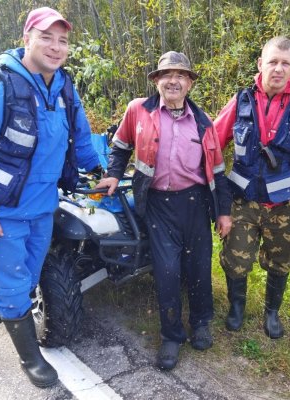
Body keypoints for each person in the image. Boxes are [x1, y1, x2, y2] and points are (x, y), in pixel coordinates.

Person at [0, 7, 102, 388]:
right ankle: (31, 360)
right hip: (1, 212)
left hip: (43, 208)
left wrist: (98, 172)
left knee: (23, 282)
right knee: (14, 288)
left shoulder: (64, 86)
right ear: (26, 38)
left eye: (63, 40)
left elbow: (80, 137)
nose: (55, 46)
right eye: (46, 37)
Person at [95, 51, 233, 370]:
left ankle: (200, 323)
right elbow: (120, 146)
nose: (174, 80)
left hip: (196, 203)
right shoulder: (137, 111)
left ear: (189, 84)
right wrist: (114, 173)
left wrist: (223, 213)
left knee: (198, 268)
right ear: (156, 81)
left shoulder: (204, 122)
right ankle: (172, 336)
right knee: (167, 272)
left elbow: (219, 171)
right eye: (167, 75)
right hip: (158, 205)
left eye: (181, 75)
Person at [214, 36, 290, 339]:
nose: (278, 69)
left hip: (286, 206)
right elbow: (213, 143)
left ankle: (272, 313)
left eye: (285, 63)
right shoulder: (241, 101)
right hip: (243, 201)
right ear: (260, 64)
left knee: (280, 262)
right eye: (272, 62)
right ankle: (237, 308)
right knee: (236, 260)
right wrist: (205, 186)